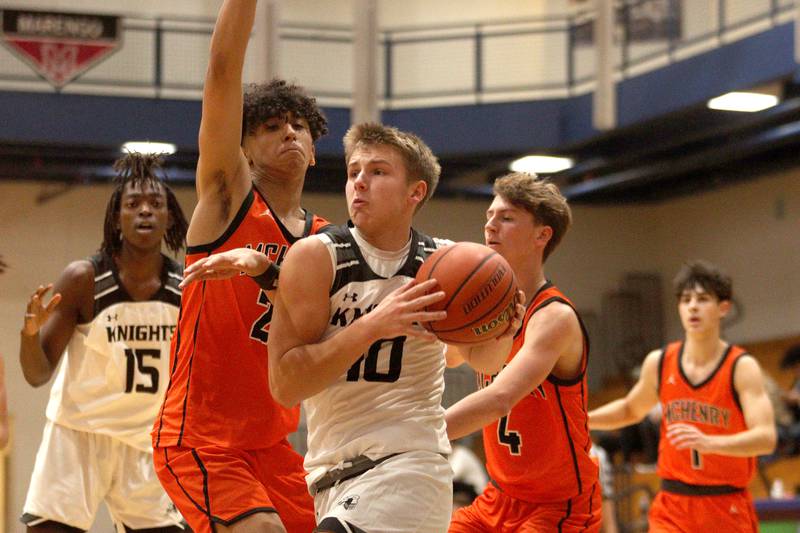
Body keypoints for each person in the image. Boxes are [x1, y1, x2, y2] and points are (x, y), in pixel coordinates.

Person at [267, 122, 515, 533]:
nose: (360, 182)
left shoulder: (445, 265)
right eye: (353, 172)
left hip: (411, 466)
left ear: (415, 192)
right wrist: (373, 325)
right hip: (331, 476)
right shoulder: (315, 258)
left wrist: (501, 332)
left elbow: (477, 358)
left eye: (378, 172)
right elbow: (285, 386)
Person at [151, 1, 329, 531]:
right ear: (244, 148)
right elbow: (223, 69)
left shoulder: (325, 241)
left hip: (271, 446)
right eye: (272, 126)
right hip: (199, 437)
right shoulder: (229, 197)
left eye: (300, 125)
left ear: (317, 150)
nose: (290, 133)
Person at [18, 152, 188, 532]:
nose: (145, 211)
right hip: (79, 434)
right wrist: (29, 336)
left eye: (155, 204)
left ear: (170, 216)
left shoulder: (186, 287)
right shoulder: (84, 279)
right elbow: (36, 374)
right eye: (133, 204)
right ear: (116, 217)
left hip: (148, 440)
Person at [445, 172, 602, 532]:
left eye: (506, 217)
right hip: (499, 496)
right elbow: (451, 358)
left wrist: (415, 435)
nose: (490, 226)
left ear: (541, 235)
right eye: (489, 215)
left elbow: (500, 398)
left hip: (558, 506)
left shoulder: (554, 317)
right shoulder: (486, 309)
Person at [589, 260, 777, 532]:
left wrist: (710, 443)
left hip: (725, 505)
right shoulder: (661, 361)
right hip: (673, 505)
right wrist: (582, 419)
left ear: (723, 308)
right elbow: (631, 409)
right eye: (686, 300)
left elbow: (766, 438)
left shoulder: (740, 367)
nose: (692, 307)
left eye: (703, 299)